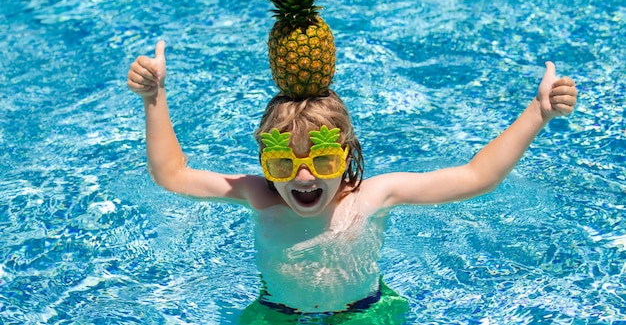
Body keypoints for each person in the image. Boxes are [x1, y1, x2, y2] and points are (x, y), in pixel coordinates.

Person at [127, 40, 578, 321]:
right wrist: (154, 96)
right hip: (275, 312)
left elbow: (476, 176)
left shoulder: (373, 196)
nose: (303, 177)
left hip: (363, 312)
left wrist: (537, 113)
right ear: (265, 163)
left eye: (321, 160)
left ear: (345, 155)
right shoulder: (257, 195)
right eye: (284, 165)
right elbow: (172, 174)